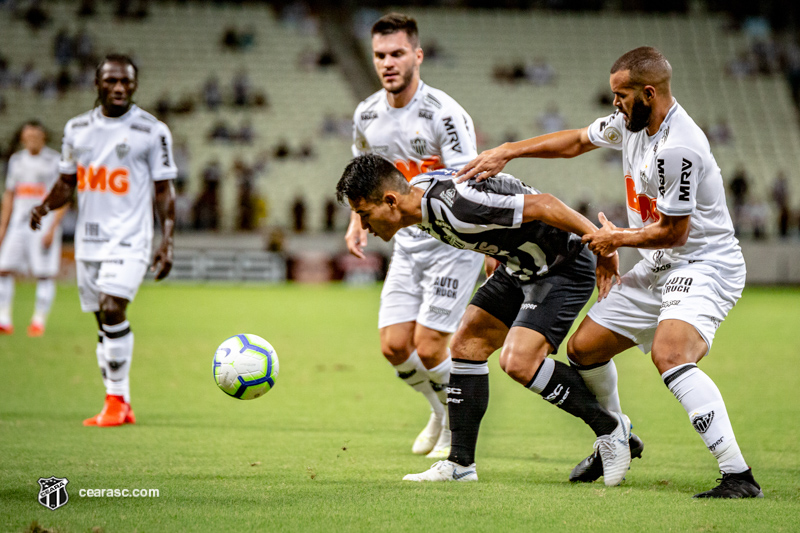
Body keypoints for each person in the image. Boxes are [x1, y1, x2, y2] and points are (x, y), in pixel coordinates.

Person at [456, 46, 762, 498]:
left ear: (649, 92)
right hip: (658, 264)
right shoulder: (629, 123)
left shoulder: (679, 146)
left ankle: (738, 475)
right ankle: (617, 435)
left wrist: (616, 239)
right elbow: (577, 140)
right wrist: (508, 151)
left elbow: (676, 232)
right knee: (584, 349)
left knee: (671, 354)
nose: (613, 103)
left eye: (621, 95)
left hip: (704, 264)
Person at [337, 155, 633, 484]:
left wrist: (604, 247)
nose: (364, 226)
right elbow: (492, 203)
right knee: (465, 344)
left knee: (519, 362)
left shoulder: (454, 206)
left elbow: (545, 204)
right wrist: (493, 251)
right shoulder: (419, 202)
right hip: (518, 265)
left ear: (391, 200)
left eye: (365, 215)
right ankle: (460, 466)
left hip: (563, 264)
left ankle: (611, 429)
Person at [345, 13, 484, 459]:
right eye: (380, 55)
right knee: (393, 346)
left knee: (428, 348)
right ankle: (440, 410)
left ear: (417, 56)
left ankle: (452, 427)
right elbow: (361, 178)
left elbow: (471, 180)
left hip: (451, 245)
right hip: (405, 245)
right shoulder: (367, 115)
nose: (388, 63)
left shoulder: (444, 114)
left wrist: (487, 240)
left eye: (397, 53)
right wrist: (355, 221)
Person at [30, 54, 177, 427]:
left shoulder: (151, 130)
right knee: (102, 322)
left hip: (131, 238)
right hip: (89, 241)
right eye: (111, 81)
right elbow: (67, 182)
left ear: (135, 86)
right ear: (97, 83)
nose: (119, 88)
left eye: (126, 82)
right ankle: (121, 402)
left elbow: (164, 190)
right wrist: (45, 207)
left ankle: (114, 402)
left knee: (113, 308)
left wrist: (168, 240)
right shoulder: (77, 129)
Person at [0, 121, 66, 336]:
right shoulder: (16, 161)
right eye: (27, 137)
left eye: (35, 136)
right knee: (3, 268)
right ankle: (4, 319)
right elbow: (10, 194)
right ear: (22, 138)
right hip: (18, 223)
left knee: (44, 274)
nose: (31, 140)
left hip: (43, 224)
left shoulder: (54, 160)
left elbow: (64, 195)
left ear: (43, 137)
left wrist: (53, 228)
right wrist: (3, 226)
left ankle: (38, 320)